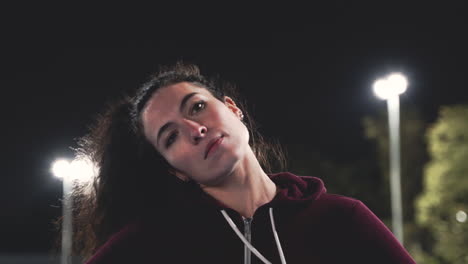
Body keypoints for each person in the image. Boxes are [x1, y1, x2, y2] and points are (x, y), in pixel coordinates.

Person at [71, 62, 416, 263]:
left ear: (232, 108)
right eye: (170, 137)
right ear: (174, 168)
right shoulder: (151, 244)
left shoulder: (341, 220)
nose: (195, 129)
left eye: (197, 107)